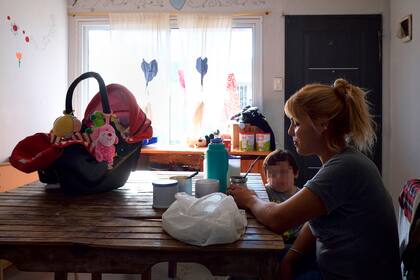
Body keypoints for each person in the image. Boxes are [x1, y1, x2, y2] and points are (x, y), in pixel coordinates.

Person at [228, 79, 402, 280]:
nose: (291, 131)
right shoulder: (343, 161)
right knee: (251, 264)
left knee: (247, 268)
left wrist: (249, 199)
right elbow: (315, 218)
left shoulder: (345, 168)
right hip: (330, 266)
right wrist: (291, 258)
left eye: (297, 122)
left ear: (322, 124)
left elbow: (277, 219)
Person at [263, 149, 302, 243]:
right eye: (272, 174)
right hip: (270, 240)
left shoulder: (302, 196)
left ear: (296, 173)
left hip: (294, 242)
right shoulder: (264, 191)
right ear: (266, 177)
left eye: (284, 172)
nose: (278, 178)